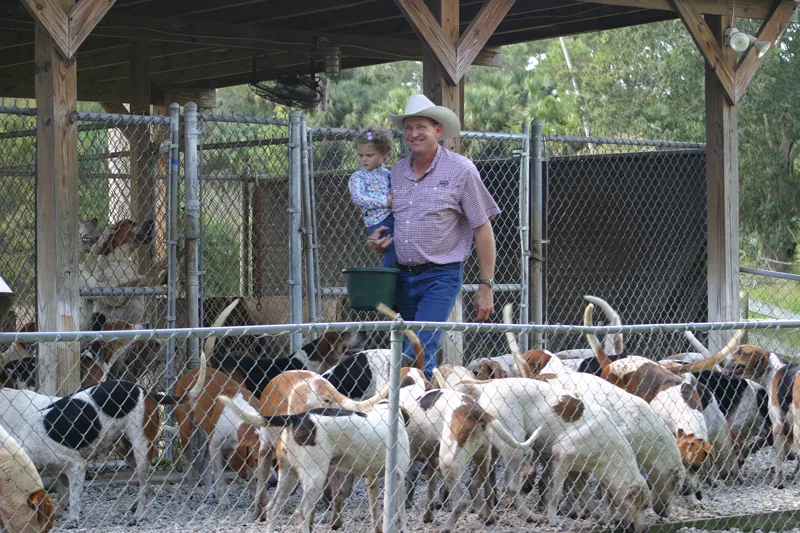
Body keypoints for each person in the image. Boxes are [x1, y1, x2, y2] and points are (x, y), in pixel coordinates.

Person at [368, 94, 500, 378]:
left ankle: (411, 411)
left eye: (421, 127)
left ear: (437, 131)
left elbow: (482, 227)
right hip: (400, 275)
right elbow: (391, 221)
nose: (413, 134)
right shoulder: (397, 172)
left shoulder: (461, 170)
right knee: (404, 346)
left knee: (418, 348)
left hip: (440, 275)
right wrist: (378, 240)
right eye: (408, 128)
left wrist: (485, 285)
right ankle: (412, 408)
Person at [348, 126, 397, 268]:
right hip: (379, 221)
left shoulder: (388, 174)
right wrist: (386, 201)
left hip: (395, 217)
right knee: (392, 251)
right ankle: (386, 279)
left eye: (369, 155)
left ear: (384, 154)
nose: (364, 159)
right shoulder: (358, 177)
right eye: (360, 155)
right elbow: (358, 198)